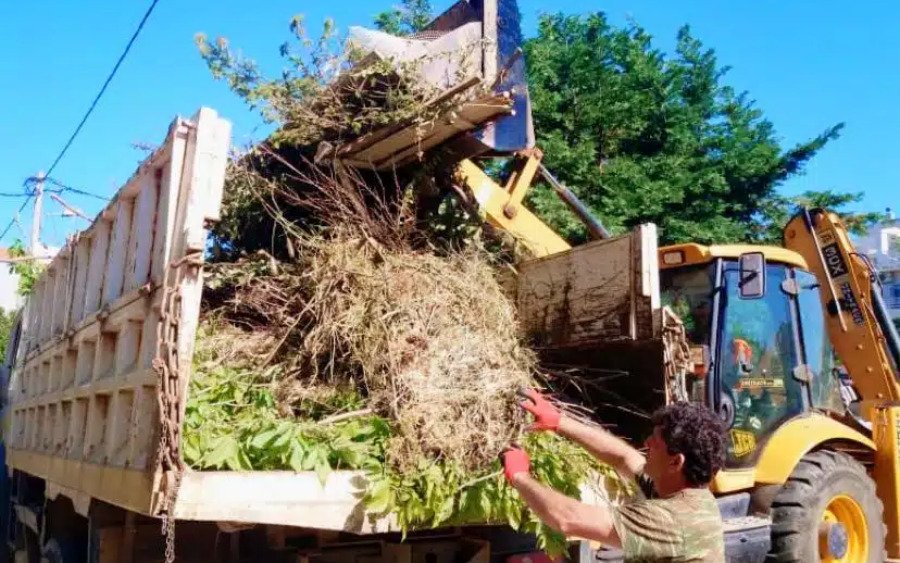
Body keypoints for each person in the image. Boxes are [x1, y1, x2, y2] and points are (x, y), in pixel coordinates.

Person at [501, 390, 727, 562]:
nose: (646, 443)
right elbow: (623, 458)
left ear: (675, 462)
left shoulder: (671, 521)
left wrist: (519, 475)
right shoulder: (684, 492)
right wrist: (558, 421)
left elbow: (567, 519)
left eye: (655, 442)